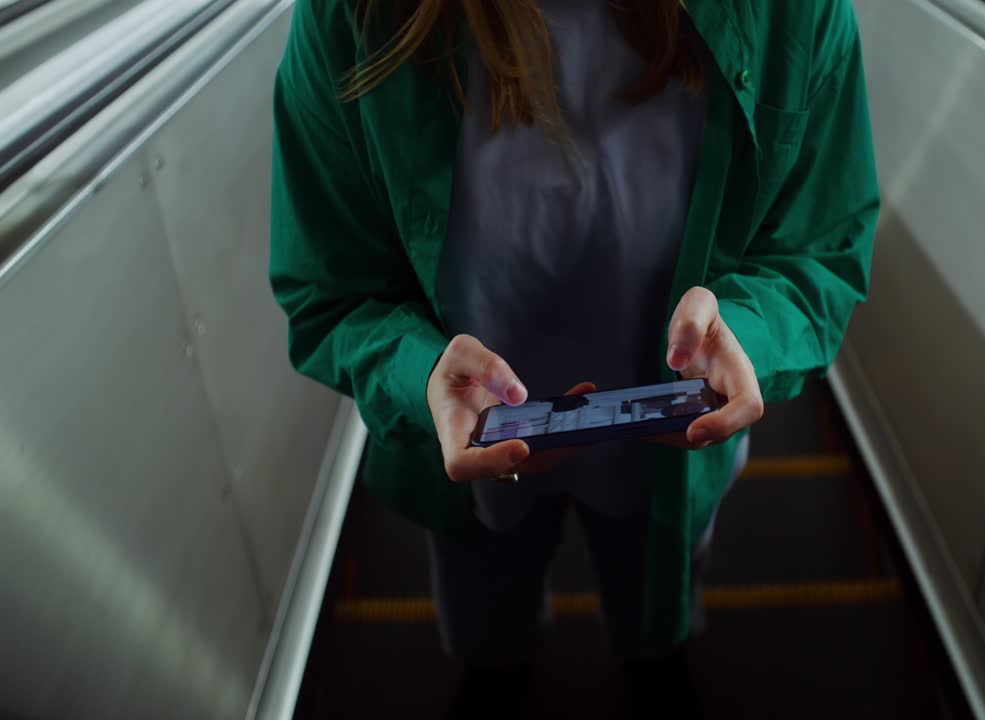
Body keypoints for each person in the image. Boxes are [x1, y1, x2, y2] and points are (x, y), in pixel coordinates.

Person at [269, 0, 879, 716]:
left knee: (655, 598)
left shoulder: (791, 14)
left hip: (672, 447)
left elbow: (817, 243)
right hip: (468, 451)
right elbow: (332, 286)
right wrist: (419, 376)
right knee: (486, 604)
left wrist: (748, 332)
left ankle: (646, 662)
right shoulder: (356, 16)